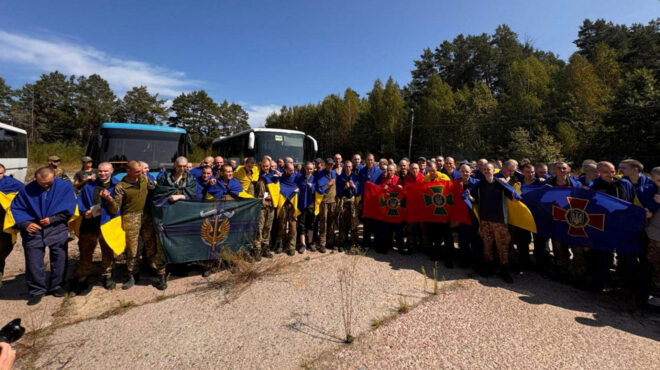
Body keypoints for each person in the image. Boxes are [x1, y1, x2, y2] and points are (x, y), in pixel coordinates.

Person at [10, 167, 76, 305]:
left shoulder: (64, 187)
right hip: (33, 230)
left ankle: (57, 286)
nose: (46, 185)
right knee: (34, 262)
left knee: (59, 259)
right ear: (36, 179)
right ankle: (37, 290)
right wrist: (25, 224)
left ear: (54, 177)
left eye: (49, 183)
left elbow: (69, 208)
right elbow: (15, 208)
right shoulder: (27, 190)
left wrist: (52, 219)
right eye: (42, 183)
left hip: (56, 227)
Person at [102, 161, 163, 290]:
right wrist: (109, 200)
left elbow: (154, 191)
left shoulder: (144, 178)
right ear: (128, 171)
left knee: (151, 243)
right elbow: (114, 209)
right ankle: (132, 274)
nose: (141, 173)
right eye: (137, 171)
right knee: (132, 248)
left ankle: (154, 268)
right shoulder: (121, 186)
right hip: (130, 218)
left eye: (141, 171)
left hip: (146, 217)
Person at [468, 163, 521, 283]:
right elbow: (475, 198)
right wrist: (471, 198)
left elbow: (512, 195)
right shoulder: (480, 184)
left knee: (502, 246)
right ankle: (489, 267)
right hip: (485, 220)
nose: (487, 171)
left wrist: (515, 193)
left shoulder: (500, 183)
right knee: (487, 245)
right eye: (485, 170)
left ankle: (505, 270)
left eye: (489, 169)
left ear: (493, 170)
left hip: (499, 220)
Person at [71, 162, 117, 294]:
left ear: (111, 171)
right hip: (90, 223)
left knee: (107, 250)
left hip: (108, 223)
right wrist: (84, 212)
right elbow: (80, 203)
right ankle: (83, 276)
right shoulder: (88, 186)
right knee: (85, 249)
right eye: (100, 171)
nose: (102, 173)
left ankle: (107, 274)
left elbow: (120, 204)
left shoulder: (117, 186)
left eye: (106, 171)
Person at [0, 164, 24, 288]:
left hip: (4, 225)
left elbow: (24, 197)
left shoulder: (12, 184)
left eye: (0, 173)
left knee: (1, 252)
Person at [456, 164, 481, 268]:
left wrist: (472, 199)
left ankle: (477, 262)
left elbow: (482, 200)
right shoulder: (456, 183)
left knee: (476, 240)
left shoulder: (477, 183)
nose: (465, 173)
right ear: (459, 172)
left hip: (474, 216)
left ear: (471, 172)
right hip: (462, 216)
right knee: (463, 239)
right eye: (462, 171)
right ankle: (464, 260)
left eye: (467, 171)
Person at [643, 167, 660, 306]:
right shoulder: (650, 190)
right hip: (654, 234)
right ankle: (656, 296)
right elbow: (648, 211)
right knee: (654, 263)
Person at [358, 154, 382, 250]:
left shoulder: (379, 171)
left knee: (376, 223)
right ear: (365, 160)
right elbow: (359, 185)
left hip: (375, 200)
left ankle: (376, 243)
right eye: (368, 160)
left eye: (371, 160)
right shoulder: (362, 171)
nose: (370, 161)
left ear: (374, 160)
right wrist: (360, 200)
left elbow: (380, 185)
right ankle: (366, 243)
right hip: (365, 199)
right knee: (366, 222)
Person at [254, 158, 276, 259]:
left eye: (267, 166)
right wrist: (262, 197)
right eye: (264, 166)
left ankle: (265, 248)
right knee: (259, 227)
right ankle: (257, 249)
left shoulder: (273, 176)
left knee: (268, 227)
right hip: (260, 205)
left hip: (270, 205)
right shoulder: (256, 176)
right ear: (261, 165)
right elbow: (253, 191)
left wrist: (273, 196)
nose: (265, 168)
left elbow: (277, 189)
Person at [276, 163, 299, 256]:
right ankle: (280, 245)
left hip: (293, 204)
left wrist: (299, 189)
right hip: (283, 204)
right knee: (281, 224)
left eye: (293, 169)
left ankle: (291, 246)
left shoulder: (297, 176)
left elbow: (302, 185)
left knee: (293, 226)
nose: (292, 171)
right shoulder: (281, 177)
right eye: (290, 169)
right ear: (285, 169)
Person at [336, 160, 359, 252]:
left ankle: (354, 243)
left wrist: (354, 187)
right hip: (344, 201)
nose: (348, 168)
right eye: (346, 166)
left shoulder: (355, 177)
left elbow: (358, 191)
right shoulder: (340, 177)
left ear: (352, 167)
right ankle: (342, 241)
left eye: (349, 166)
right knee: (342, 222)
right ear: (344, 167)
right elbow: (338, 192)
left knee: (353, 222)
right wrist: (344, 188)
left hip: (352, 201)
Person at [315, 158, 337, 253]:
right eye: (328, 164)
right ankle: (322, 244)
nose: (330, 166)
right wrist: (328, 184)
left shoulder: (334, 173)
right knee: (323, 223)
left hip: (333, 201)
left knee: (331, 223)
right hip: (324, 202)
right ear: (325, 164)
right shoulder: (320, 174)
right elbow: (319, 188)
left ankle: (330, 242)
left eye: (332, 164)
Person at [296, 162, 317, 252]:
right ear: (305, 168)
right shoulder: (299, 178)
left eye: (311, 169)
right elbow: (294, 185)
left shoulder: (315, 179)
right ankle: (303, 244)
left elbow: (319, 189)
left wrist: (312, 186)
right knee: (301, 224)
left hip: (311, 204)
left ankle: (310, 243)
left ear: (313, 169)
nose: (309, 170)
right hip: (301, 204)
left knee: (311, 224)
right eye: (307, 168)